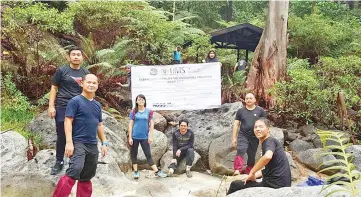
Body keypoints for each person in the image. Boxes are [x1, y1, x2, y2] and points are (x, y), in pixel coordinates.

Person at [52, 74, 108, 197]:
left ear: (97, 85)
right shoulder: (75, 101)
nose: (91, 85)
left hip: (92, 144)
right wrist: (69, 142)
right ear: (82, 83)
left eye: (94, 83)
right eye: (89, 82)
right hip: (78, 142)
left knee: (87, 175)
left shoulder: (97, 105)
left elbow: (99, 125)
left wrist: (104, 142)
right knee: (75, 169)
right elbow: (68, 121)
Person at [48, 46, 90, 175]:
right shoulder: (62, 70)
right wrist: (51, 106)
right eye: (73, 54)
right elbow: (54, 88)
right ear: (69, 57)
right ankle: (59, 161)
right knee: (62, 135)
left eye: (78, 54)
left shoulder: (85, 73)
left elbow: (88, 90)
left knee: (78, 135)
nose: (76, 56)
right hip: (63, 106)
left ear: (82, 58)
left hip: (79, 107)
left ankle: (76, 162)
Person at [227, 118, 291, 195]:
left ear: (268, 129)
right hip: (277, 184)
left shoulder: (269, 141)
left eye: (261, 127)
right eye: (255, 127)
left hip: (275, 186)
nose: (257, 129)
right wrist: (250, 176)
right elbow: (265, 168)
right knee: (245, 181)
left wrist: (252, 171)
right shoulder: (268, 143)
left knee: (235, 185)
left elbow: (267, 157)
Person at [128, 94, 167, 179]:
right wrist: (130, 137)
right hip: (135, 137)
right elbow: (130, 125)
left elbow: (152, 125)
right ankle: (135, 172)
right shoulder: (133, 111)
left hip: (144, 137)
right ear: (136, 101)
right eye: (139, 99)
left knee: (148, 155)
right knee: (134, 154)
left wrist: (150, 136)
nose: (141, 101)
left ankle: (156, 171)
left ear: (145, 101)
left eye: (142, 99)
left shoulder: (149, 112)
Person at [232, 93, 266, 175]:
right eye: (247, 98)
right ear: (245, 100)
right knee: (241, 149)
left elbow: (264, 124)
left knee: (252, 155)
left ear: (254, 100)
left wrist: (263, 137)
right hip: (243, 134)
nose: (249, 100)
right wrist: (234, 138)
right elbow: (236, 124)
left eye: (251, 98)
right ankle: (237, 169)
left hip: (255, 136)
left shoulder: (260, 111)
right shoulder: (241, 111)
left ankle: (249, 171)